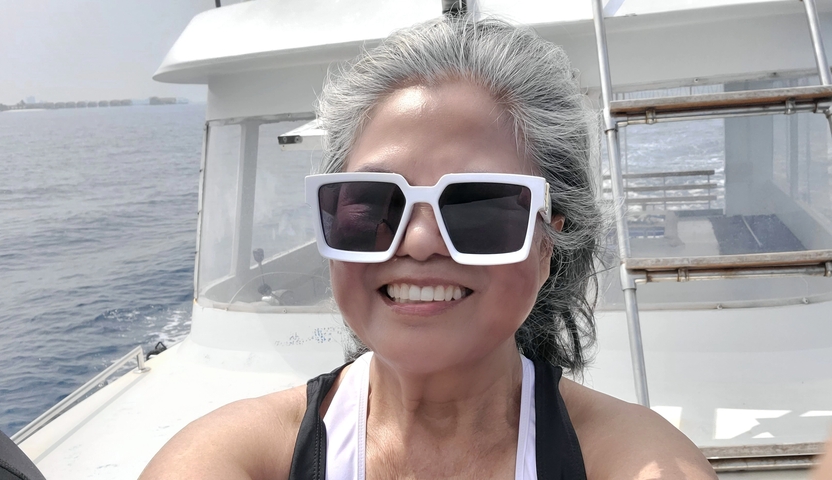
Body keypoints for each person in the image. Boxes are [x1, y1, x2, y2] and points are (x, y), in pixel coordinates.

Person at [140, 16, 716, 480]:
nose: (418, 241)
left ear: (547, 246)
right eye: (372, 204)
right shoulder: (232, 460)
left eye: (478, 205)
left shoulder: (631, 463)